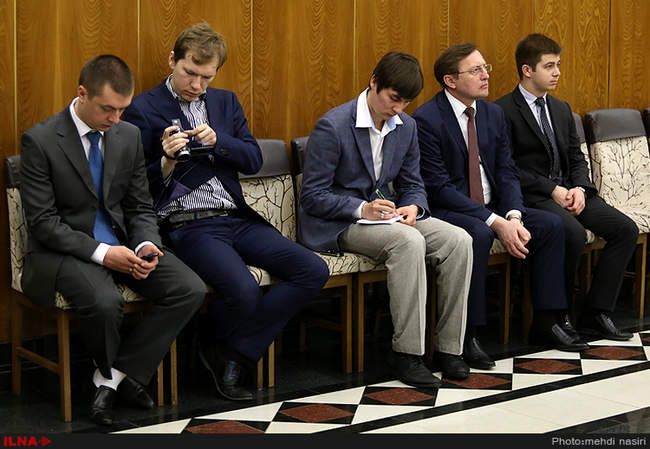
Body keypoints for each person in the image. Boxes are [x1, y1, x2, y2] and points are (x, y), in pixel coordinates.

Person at [122, 23, 329, 401]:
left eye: (206, 77)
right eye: (189, 73)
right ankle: (226, 353)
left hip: (235, 216)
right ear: (172, 61)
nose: (196, 85)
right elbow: (131, 186)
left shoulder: (225, 103)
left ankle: (231, 352)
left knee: (312, 270)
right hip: (188, 224)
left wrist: (220, 141)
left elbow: (252, 159)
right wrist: (166, 161)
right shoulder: (142, 109)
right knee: (243, 290)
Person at [19, 55, 206, 426]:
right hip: (65, 250)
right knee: (105, 302)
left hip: (125, 244)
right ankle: (119, 380)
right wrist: (104, 254)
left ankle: (112, 378)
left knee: (189, 288)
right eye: (107, 109)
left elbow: (139, 206)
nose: (116, 119)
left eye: (123, 109)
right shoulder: (40, 140)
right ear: (82, 93)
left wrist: (146, 244)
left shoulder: (127, 135)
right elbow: (43, 223)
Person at [298, 51, 473, 385]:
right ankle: (407, 354)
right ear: (374, 82)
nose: (398, 108)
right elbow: (313, 196)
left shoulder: (406, 126)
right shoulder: (333, 125)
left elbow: (413, 184)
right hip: (341, 223)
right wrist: (360, 209)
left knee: (458, 240)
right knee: (408, 242)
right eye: (394, 98)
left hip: (388, 217)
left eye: (406, 102)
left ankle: (450, 349)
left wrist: (414, 207)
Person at [413, 43, 589, 369]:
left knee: (550, 225)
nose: (485, 75)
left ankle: (546, 319)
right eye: (475, 70)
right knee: (478, 235)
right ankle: (469, 334)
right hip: (451, 208)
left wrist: (513, 215)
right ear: (451, 80)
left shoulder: (492, 114)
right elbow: (438, 187)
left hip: (494, 204)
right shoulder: (427, 119)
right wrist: (495, 221)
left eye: (486, 67)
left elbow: (507, 171)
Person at [496, 33, 638, 341]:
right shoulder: (502, 110)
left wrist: (580, 188)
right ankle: (556, 317)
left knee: (625, 229)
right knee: (571, 232)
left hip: (571, 192)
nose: (557, 72)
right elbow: (508, 167)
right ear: (527, 70)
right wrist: (552, 189)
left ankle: (596, 312)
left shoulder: (561, 109)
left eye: (558, 65)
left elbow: (576, 157)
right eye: (549, 66)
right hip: (534, 197)